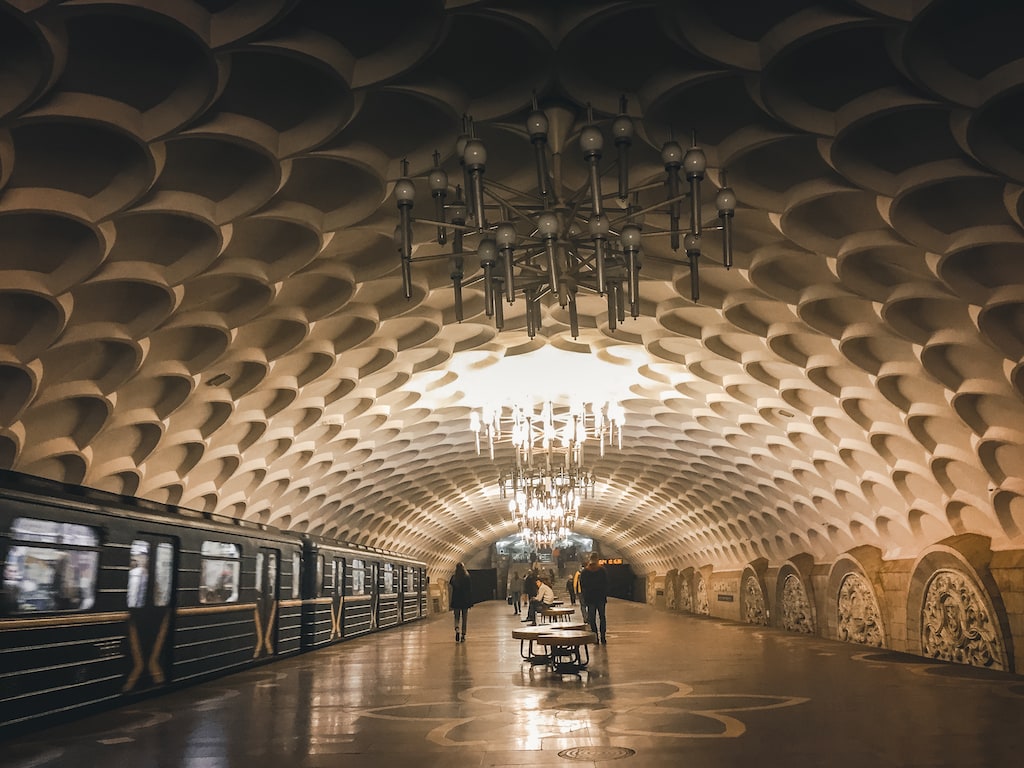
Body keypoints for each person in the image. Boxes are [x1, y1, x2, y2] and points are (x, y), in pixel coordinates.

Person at [579, 552, 608, 643]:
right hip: (600, 597)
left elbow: (582, 585)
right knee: (602, 617)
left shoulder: (585, 572)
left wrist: (585, 595)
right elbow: (606, 583)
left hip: (590, 598)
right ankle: (603, 637)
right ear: (597, 559)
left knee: (592, 617)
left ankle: (595, 637)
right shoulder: (602, 570)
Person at [449, 563, 472, 642]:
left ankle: (457, 629)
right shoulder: (467, 577)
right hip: (465, 600)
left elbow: (451, 588)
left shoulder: (454, 578)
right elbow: (469, 590)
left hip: (456, 600)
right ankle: (463, 635)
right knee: (464, 618)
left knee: (456, 617)